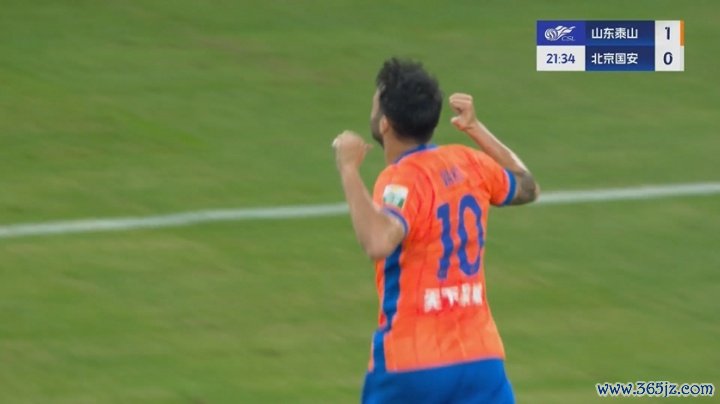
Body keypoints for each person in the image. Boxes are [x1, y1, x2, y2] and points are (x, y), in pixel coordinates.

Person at [332, 57, 539, 403]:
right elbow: (527, 186)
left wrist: (348, 169)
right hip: (482, 361)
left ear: (385, 123)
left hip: (411, 367)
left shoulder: (401, 179)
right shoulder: (469, 162)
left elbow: (378, 242)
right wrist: (476, 128)